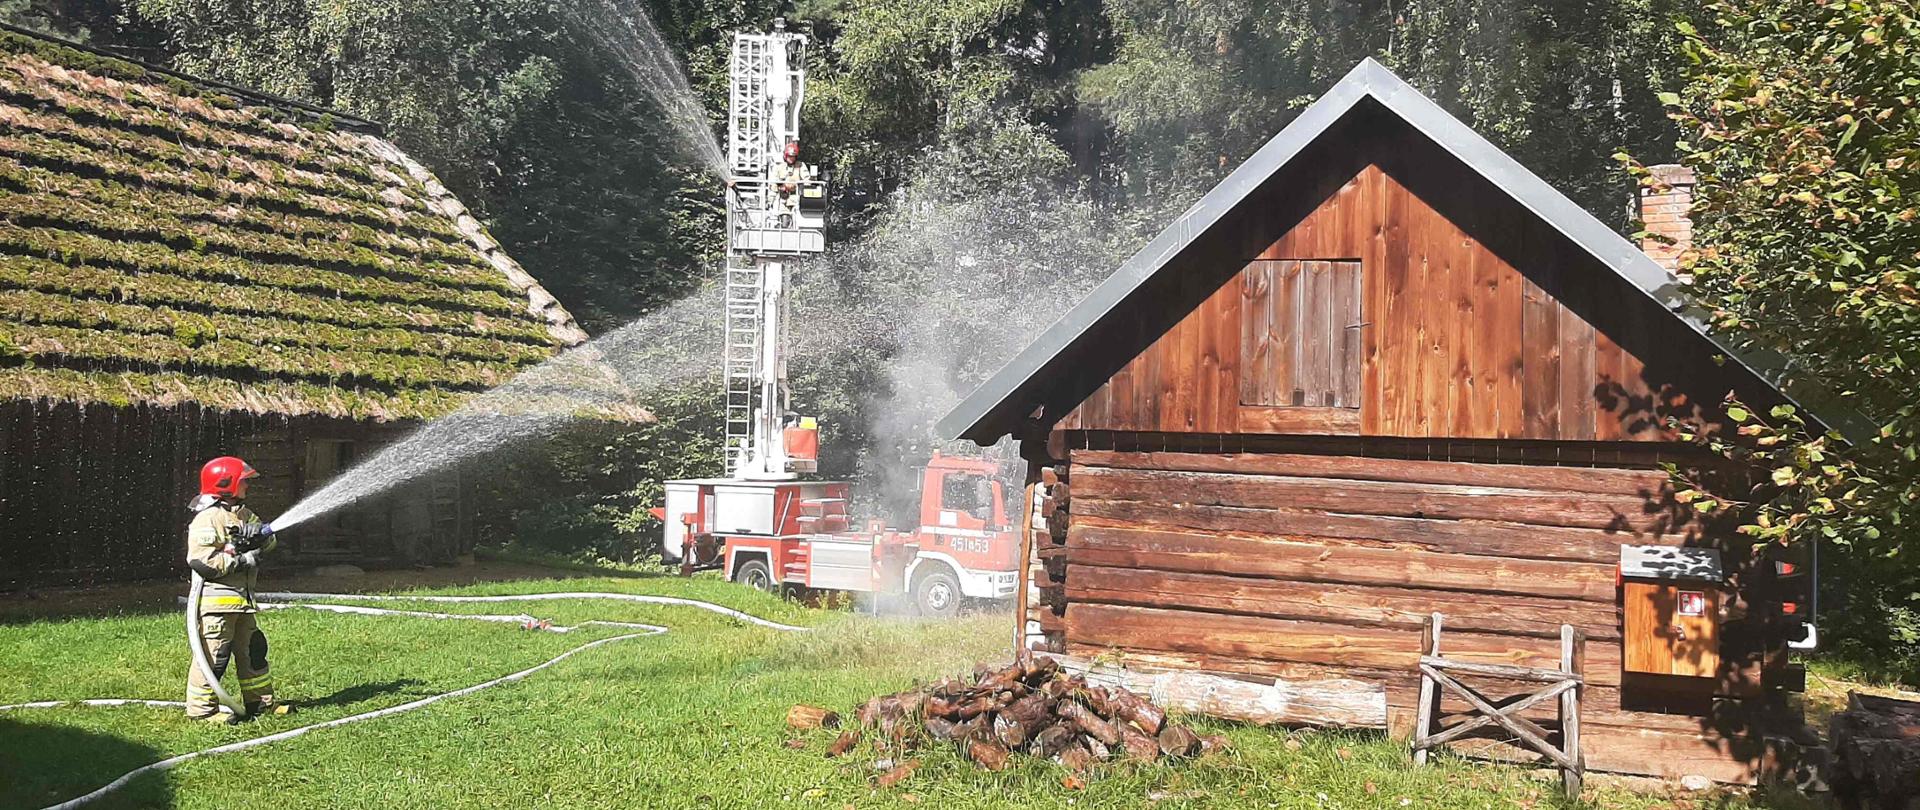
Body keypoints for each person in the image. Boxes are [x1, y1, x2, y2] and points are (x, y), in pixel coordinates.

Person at [184, 456, 287, 722]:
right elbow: (202, 561)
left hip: (243, 602)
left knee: (253, 650)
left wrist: (261, 538)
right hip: (216, 605)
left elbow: (270, 543)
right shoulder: (208, 518)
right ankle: (202, 711)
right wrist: (241, 560)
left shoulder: (244, 514)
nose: (247, 486)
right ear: (225, 484)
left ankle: (261, 703)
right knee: (213, 656)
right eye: (243, 482)